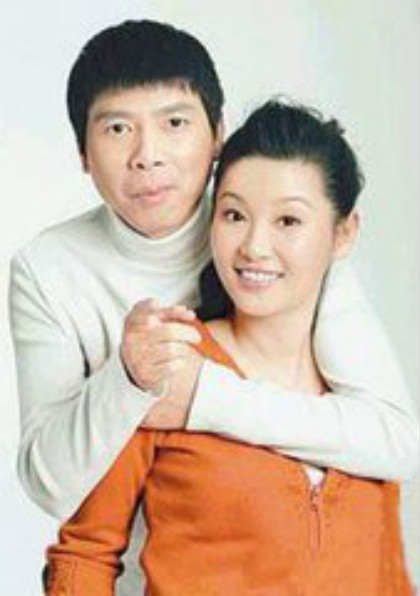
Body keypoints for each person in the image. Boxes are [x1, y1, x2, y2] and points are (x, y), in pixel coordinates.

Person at [8, 19, 418, 594]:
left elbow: (394, 441)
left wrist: (203, 395)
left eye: (174, 123)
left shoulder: (275, 241)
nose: (147, 156)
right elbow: (56, 497)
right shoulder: (48, 270)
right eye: (118, 128)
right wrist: (132, 378)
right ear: (82, 151)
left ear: (217, 135)